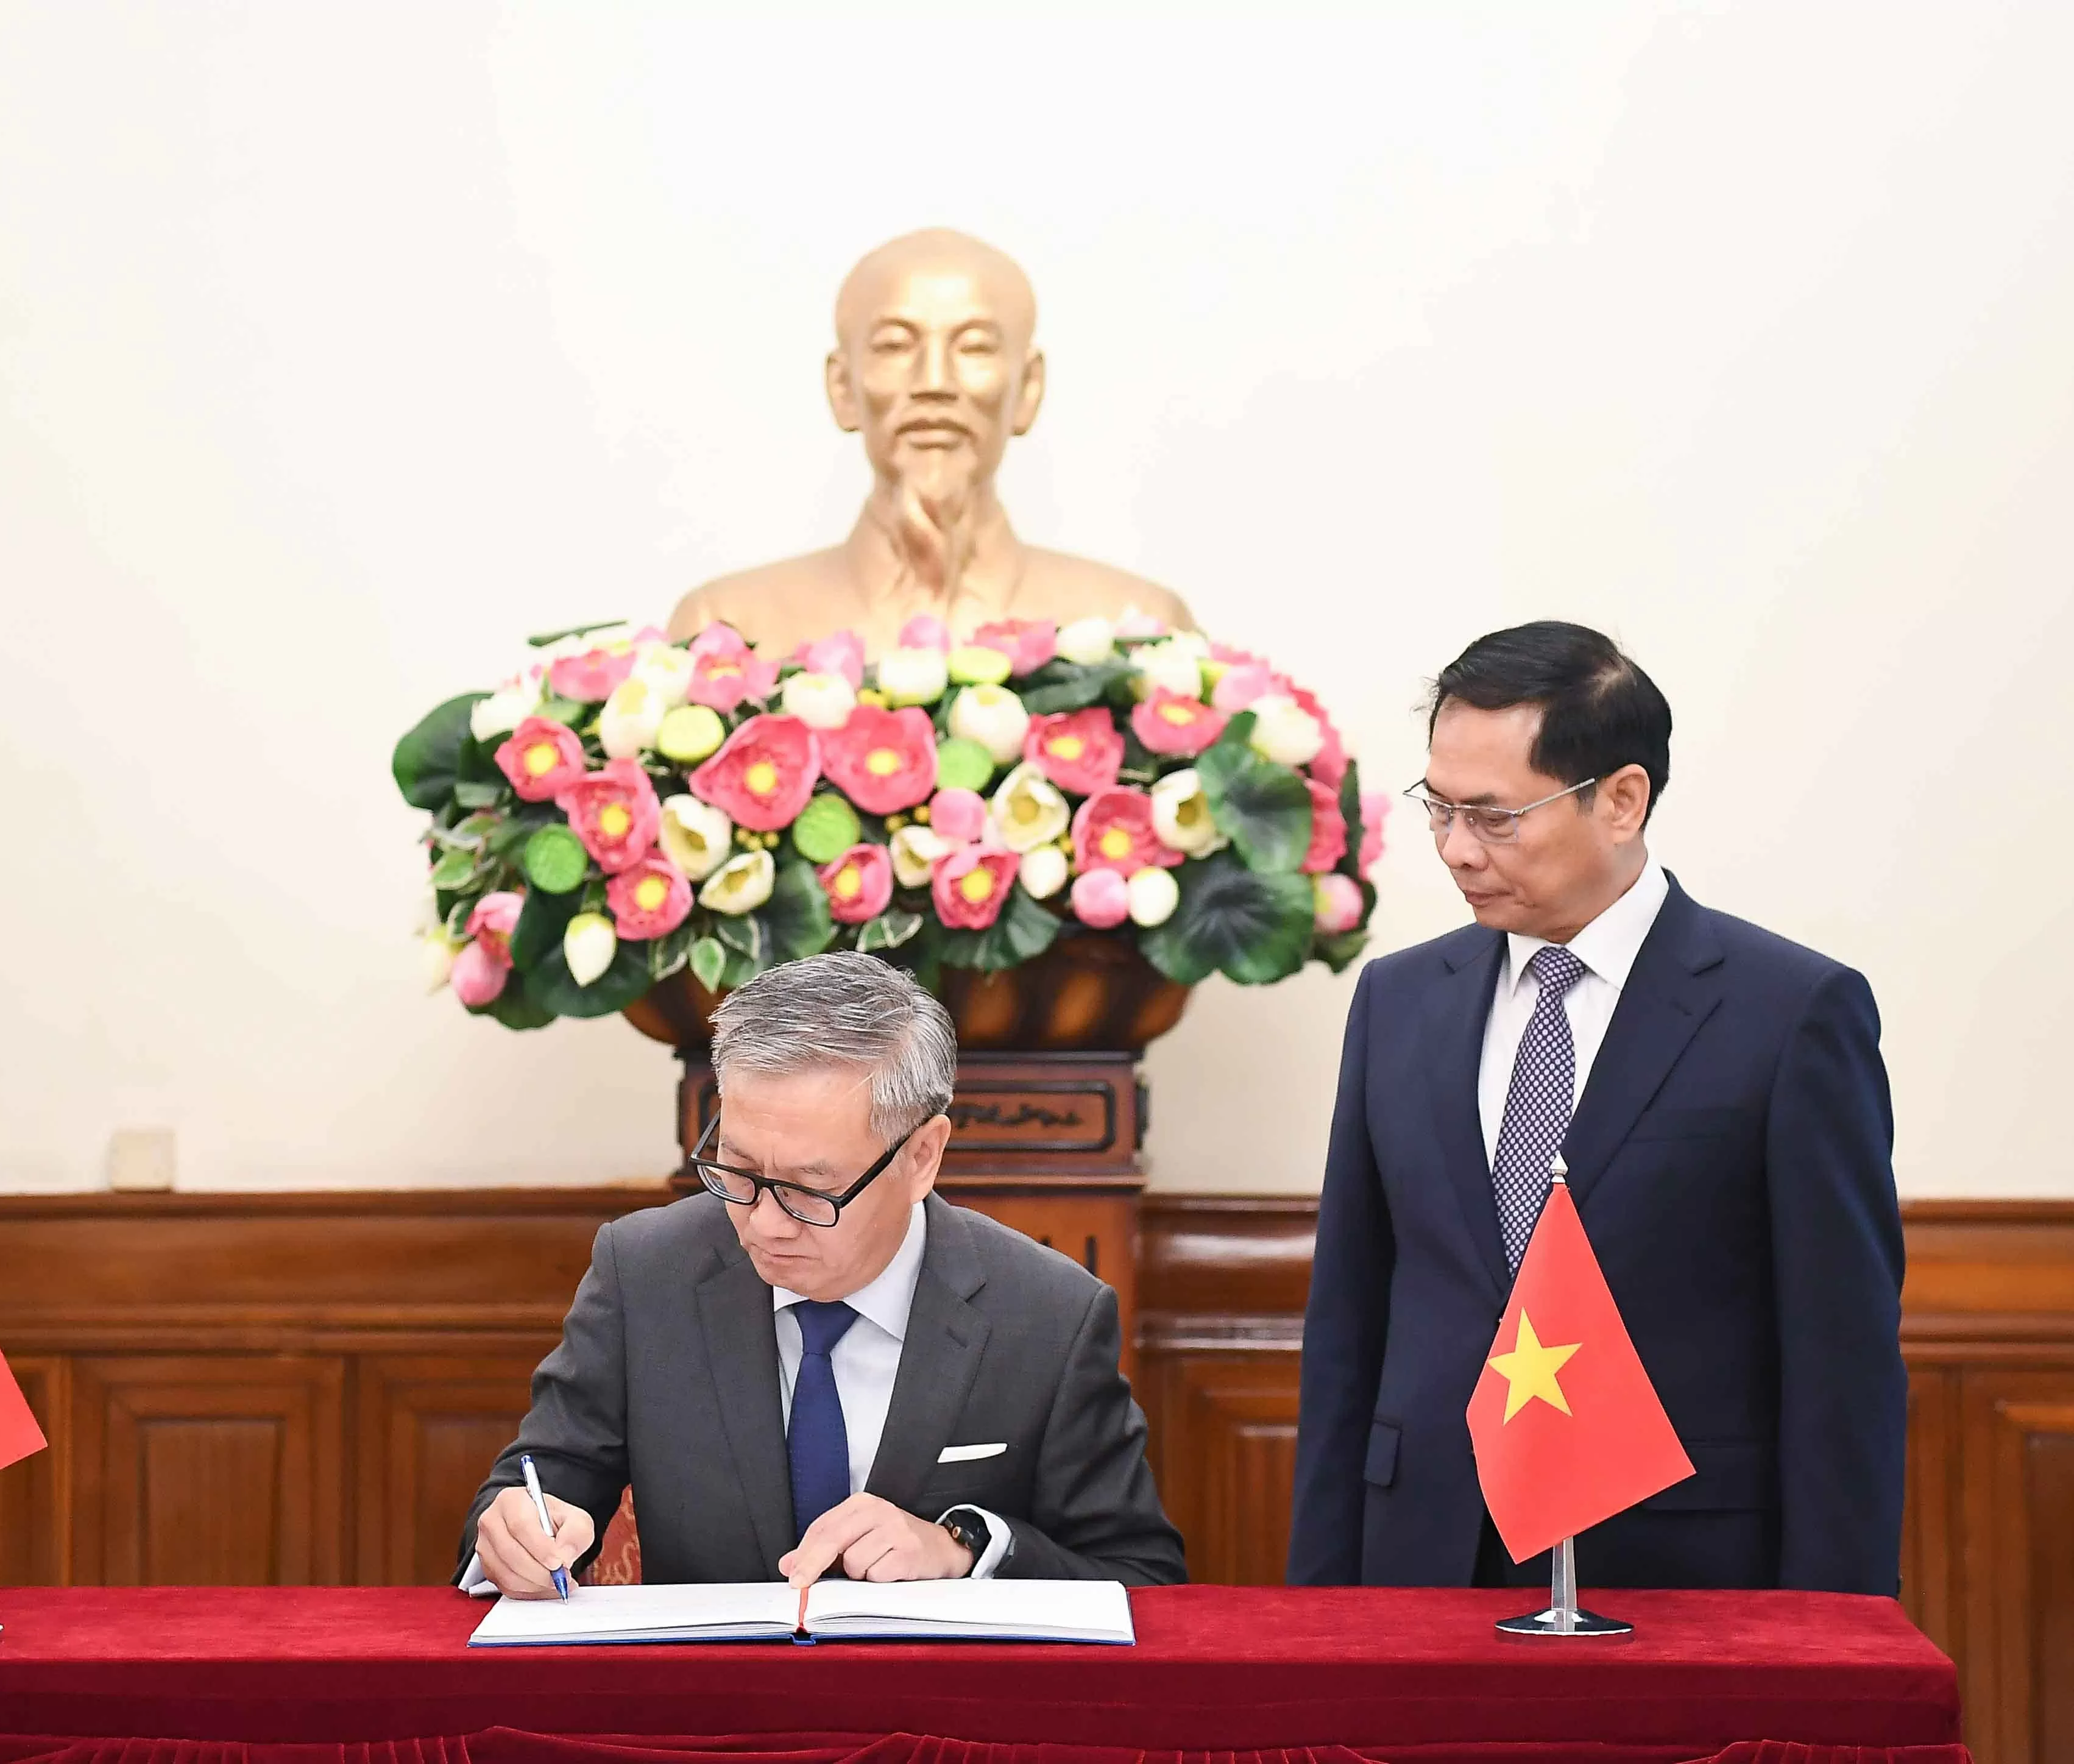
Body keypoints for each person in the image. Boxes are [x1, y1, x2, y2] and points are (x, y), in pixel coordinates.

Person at [1289, 621, 1903, 1595]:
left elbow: (1843, 1361)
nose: (1456, 849)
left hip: (1674, 1570)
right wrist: (1322, 1611)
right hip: (1424, 1556)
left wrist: (1836, 1636)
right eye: (1439, 808)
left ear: (1621, 800)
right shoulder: (1398, 1001)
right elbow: (1347, 1327)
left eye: (1494, 817)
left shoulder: (1790, 1012)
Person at [459, 951, 1184, 1595]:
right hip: (711, 1703)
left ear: (922, 1157)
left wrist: (966, 1551)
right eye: (738, 1169)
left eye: (811, 1190)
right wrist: (517, 1535)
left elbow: (1142, 1577)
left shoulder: (1049, 1314)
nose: (764, 1224)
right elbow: (530, 1490)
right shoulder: (645, 1273)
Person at [667, 228, 1193, 658]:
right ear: (843, 388)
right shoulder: (729, 631)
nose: (934, 381)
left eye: (975, 347)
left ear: (1028, 388)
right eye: (895, 346)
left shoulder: (1139, 634)